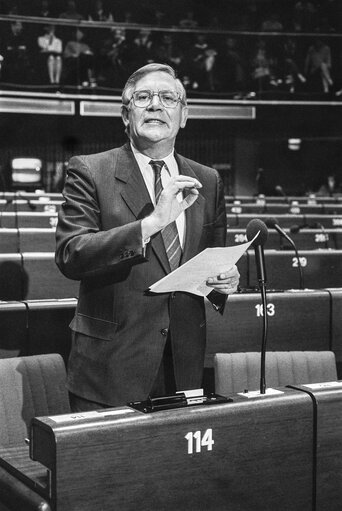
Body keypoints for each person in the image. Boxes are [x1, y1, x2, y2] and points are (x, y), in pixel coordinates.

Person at [55, 63, 240, 411]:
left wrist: (224, 282)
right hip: (110, 368)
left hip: (183, 365)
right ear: (126, 116)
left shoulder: (208, 179)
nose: (156, 105)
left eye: (168, 97)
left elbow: (211, 264)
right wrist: (151, 223)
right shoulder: (90, 170)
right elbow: (71, 254)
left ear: (183, 116)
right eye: (143, 97)